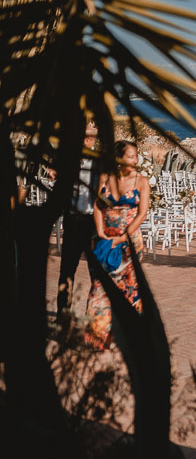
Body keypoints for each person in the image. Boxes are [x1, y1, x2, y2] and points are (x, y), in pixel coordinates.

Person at [84, 140, 150, 350]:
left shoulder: (141, 182)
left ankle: (129, 338)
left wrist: (123, 238)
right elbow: (97, 205)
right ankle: (98, 337)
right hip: (105, 240)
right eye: (131, 156)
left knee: (129, 287)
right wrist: (101, 231)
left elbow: (142, 214)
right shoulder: (106, 178)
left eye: (136, 156)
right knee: (99, 286)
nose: (135, 160)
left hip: (129, 243)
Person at [57, 122, 102, 315]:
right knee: (67, 270)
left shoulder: (101, 162)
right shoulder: (68, 160)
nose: (87, 139)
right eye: (85, 136)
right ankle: (63, 314)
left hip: (93, 222)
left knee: (97, 272)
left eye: (91, 136)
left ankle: (94, 315)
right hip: (73, 219)